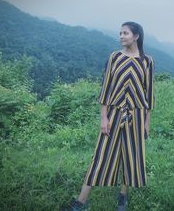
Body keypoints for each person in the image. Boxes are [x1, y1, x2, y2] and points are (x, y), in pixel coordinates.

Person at [62, 21, 155, 211]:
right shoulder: (114, 57)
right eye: (120, 33)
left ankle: (123, 196)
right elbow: (106, 88)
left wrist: (146, 122)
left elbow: (149, 93)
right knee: (101, 155)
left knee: (131, 155)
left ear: (136, 36)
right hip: (113, 113)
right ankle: (80, 203)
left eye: (126, 33)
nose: (121, 36)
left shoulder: (147, 61)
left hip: (136, 115)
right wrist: (103, 118)